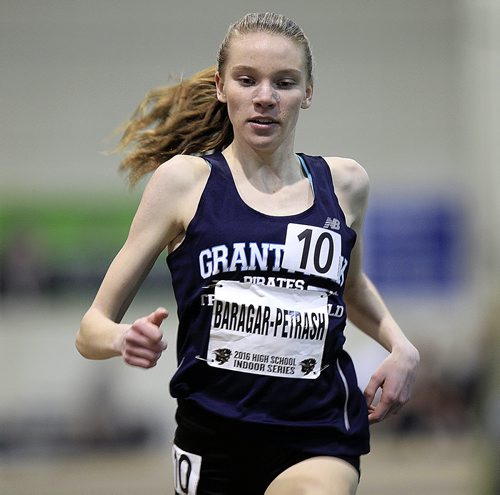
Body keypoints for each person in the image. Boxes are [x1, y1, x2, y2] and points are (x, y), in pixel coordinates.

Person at [76, 12, 419, 495]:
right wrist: (120, 339)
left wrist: (400, 346)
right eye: (247, 80)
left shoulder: (344, 185)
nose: (265, 97)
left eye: (284, 82)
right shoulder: (183, 184)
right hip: (213, 441)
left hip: (317, 435)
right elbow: (90, 328)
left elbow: (351, 286)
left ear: (308, 92)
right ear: (221, 87)